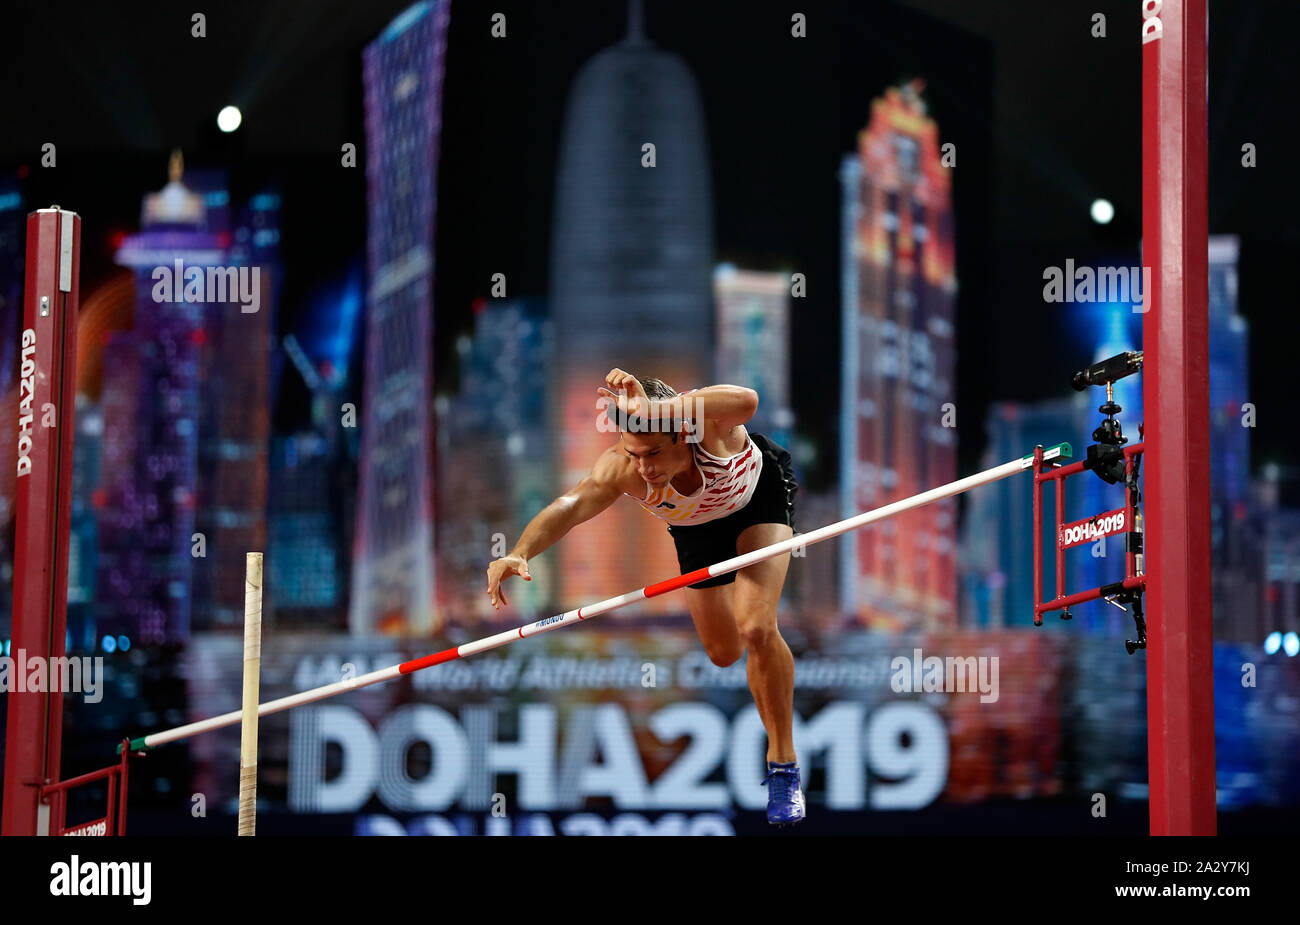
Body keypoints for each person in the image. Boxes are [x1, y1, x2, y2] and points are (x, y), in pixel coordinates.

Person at [486, 367, 804, 825]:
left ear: (681, 430)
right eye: (636, 455)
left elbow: (748, 401)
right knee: (722, 652)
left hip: (758, 502)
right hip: (696, 529)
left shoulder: (709, 428)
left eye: (654, 452)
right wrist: (519, 552)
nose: (645, 468)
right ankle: (750, 629)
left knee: (755, 626)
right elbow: (572, 505)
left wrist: (660, 409)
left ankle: (782, 765)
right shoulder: (623, 466)